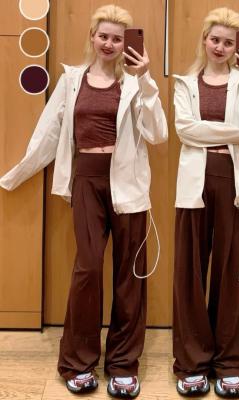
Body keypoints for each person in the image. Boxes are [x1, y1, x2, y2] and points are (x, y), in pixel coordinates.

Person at [0, 4, 167, 398]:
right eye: (103, 35)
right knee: (88, 269)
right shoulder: (72, 80)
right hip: (87, 181)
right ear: (92, 37)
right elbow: (47, 133)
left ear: (127, 44)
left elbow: (157, 133)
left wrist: (145, 79)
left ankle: (123, 364)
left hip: (128, 183)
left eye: (117, 38)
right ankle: (78, 361)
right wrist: (15, 176)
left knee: (130, 274)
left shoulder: (134, 84)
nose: (109, 43)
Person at [172, 7, 239, 398]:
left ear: (237, 48)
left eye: (229, 42)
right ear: (204, 40)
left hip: (237, 184)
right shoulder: (185, 84)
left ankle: (230, 363)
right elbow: (186, 131)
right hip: (195, 184)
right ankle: (191, 362)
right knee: (190, 273)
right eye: (215, 39)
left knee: (233, 273)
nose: (220, 47)